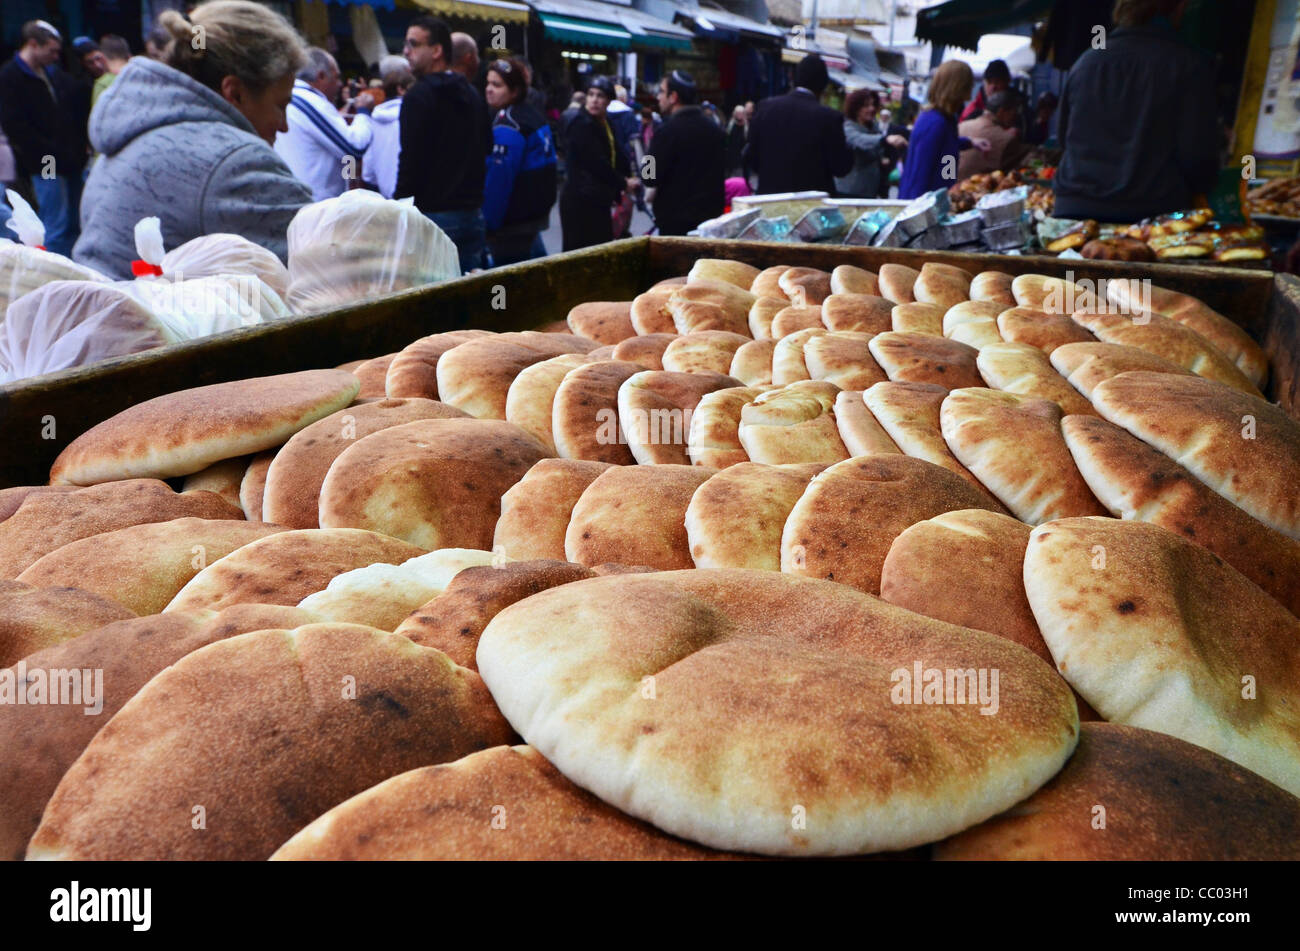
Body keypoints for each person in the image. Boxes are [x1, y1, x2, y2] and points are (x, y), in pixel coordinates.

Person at [73, 1, 312, 278]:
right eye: (281, 106)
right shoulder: (236, 161)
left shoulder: (126, 140)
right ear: (235, 93)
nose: (283, 127)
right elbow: (337, 264)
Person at [1054, 0, 1214, 221]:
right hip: (1151, 215)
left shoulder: (1086, 62)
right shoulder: (1187, 65)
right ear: (1177, 9)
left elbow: (1064, 140)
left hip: (1073, 211)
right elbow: (1197, 157)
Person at [396, 15, 492, 272]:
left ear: (437, 50)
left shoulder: (418, 96)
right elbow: (487, 148)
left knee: (436, 304)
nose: (406, 52)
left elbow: (410, 161)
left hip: (433, 220)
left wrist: (399, 212)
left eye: (414, 44)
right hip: (471, 216)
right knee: (469, 303)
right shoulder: (473, 94)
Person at [0, 21, 84, 257]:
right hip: (45, 159)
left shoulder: (52, 73)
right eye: (51, 50)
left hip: (68, 157)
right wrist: (48, 152)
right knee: (54, 220)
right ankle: (56, 272)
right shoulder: (10, 76)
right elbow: (15, 125)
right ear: (33, 45)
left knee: (73, 219)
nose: (56, 56)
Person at [482, 57, 556, 265]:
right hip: (532, 219)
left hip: (512, 224)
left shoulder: (509, 125)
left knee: (509, 284)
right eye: (488, 83)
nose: (489, 89)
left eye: (497, 85)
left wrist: (489, 226)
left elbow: (499, 182)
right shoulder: (533, 115)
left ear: (514, 91)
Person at [274, 48, 374, 202]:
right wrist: (363, 112)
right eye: (336, 77)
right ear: (321, 76)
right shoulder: (310, 101)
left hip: (297, 200)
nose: (340, 84)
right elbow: (354, 147)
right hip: (314, 207)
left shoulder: (292, 97)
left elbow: (347, 161)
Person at [743, 54, 851, 195]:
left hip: (770, 200)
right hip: (811, 206)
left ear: (793, 78)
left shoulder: (765, 108)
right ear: (823, 85)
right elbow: (840, 167)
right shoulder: (829, 117)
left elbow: (752, 157)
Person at [642, 70, 724, 236]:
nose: (658, 97)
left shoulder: (665, 131)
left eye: (661, 92)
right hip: (709, 222)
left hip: (674, 223)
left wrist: (647, 157)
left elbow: (648, 177)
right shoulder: (715, 130)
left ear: (674, 97)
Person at [560, 75, 635, 251]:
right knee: (579, 255)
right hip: (580, 201)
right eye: (591, 94)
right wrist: (624, 182)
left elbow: (617, 152)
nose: (594, 100)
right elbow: (596, 163)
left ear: (609, 101)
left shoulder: (606, 122)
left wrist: (630, 176)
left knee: (600, 250)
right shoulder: (581, 123)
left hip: (597, 198)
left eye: (600, 96)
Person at [898, 60, 990, 200]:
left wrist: (970, 142)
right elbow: (919, 174)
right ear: (958, 88)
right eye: (969, 86)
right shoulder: (935, 123)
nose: (971, 91)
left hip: (940, 200)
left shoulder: (946, 119)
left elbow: (946, 149)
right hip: (925, 205)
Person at [835, 89, 908, 199]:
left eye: (873, 105)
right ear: (856, 108)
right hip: (849, 191)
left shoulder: (874, 127)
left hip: (870, 191)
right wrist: (884, 140)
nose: (872, 109)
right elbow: (859, 140)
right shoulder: (848, 126)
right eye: (866, 106)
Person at [362, 56, 414, 199]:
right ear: (402, 88)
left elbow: (368, 173)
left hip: (386, 203)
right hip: (414, 204)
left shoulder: (374, 119)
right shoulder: (415, 115)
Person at [957, 89, 1032, 179]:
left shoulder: (960, 126)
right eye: (1014, 112)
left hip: (949, 187)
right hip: (978, 190)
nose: (1015, 116)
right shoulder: (1006, 139)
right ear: (1002, 111)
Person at [93, 35, 131, 109]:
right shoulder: (142, 75)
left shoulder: (102, 84)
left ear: (102, 57)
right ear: (129, 55)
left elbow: (98, 117)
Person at [724, 105, 746, 178]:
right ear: (734, 114)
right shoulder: (729, 125)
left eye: (741, 113)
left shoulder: (747, 125)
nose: (740, 115)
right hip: (730, 157)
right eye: (738, 113)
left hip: (742, 157)